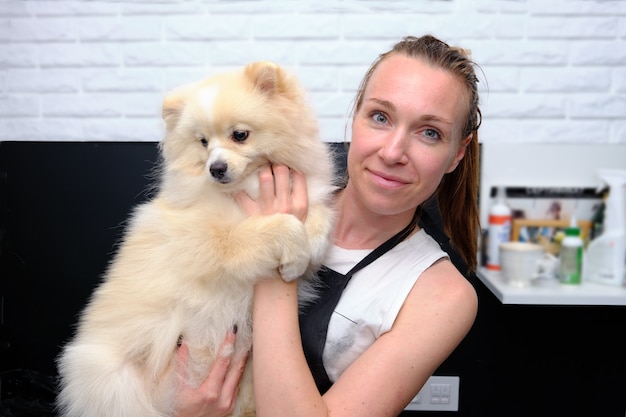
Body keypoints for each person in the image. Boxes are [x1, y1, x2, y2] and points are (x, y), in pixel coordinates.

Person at [175, 34, 482, 417]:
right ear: (355, 117)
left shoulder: (441, 296)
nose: (392, 152)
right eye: (381, 117)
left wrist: (275, 254)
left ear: (457, 153)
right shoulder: (263, 191)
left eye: (430, 132)